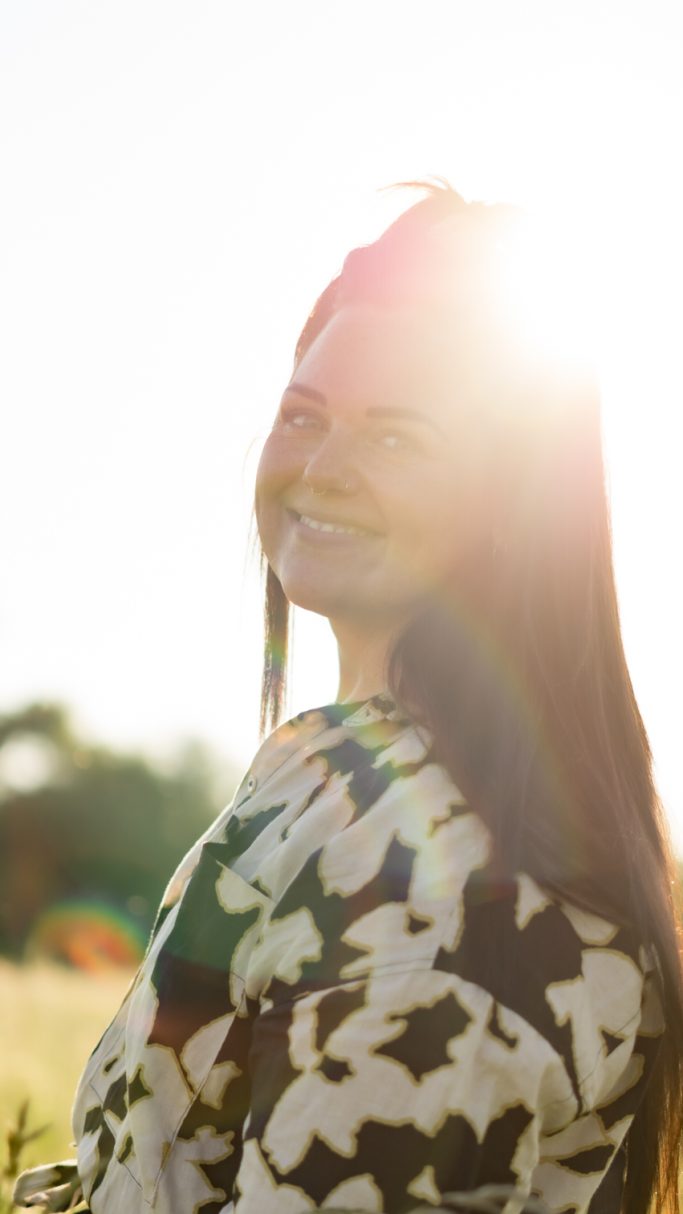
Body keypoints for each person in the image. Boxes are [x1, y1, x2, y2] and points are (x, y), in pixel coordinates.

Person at [15, 178, 683, 1214]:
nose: (321, 467)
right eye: (302, 414)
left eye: (393, 436)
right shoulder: (327, 774)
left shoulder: (449, 881)